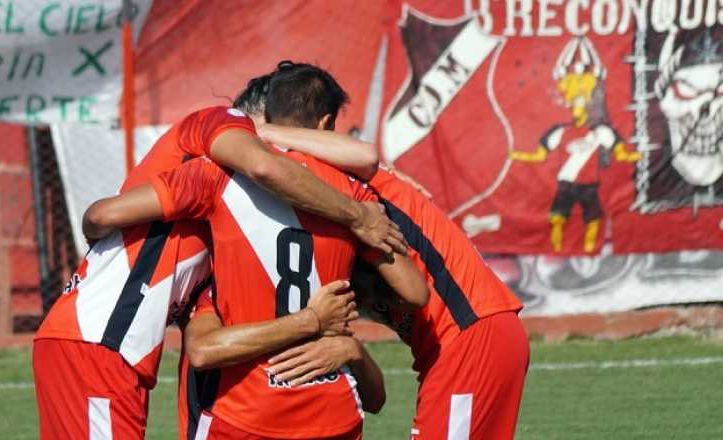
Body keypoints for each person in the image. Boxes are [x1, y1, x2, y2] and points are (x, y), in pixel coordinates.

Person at [32, 63, 408, 439]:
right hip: (97, 336)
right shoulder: (220, 125)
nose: (289, 154)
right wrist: (357, 216)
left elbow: (100, 218)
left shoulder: (226, 213)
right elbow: (262, 165)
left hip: (110, 345)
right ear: (257, 122)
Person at [261, 125, 530, 440]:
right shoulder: (337, 206)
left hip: (471, 336)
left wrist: (256, 130)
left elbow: (363, 155)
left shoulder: (339, 184)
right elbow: (375, 398)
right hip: (462, 341)